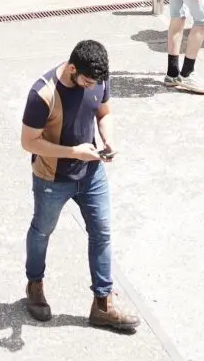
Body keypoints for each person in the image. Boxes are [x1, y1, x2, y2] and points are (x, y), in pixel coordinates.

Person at [20, 40, 139, 332]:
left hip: (92, 173)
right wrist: (75, 152)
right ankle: (34, 284)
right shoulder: (43, 93)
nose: (91, 87)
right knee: (42, 230)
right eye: (86, 81)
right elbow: (28, 142)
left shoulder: (97, 76)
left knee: (102, 232)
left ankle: (102, 303)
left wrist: (108, 139)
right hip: (52, 177)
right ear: (72, 68)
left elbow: (104, 113)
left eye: (96, 83)